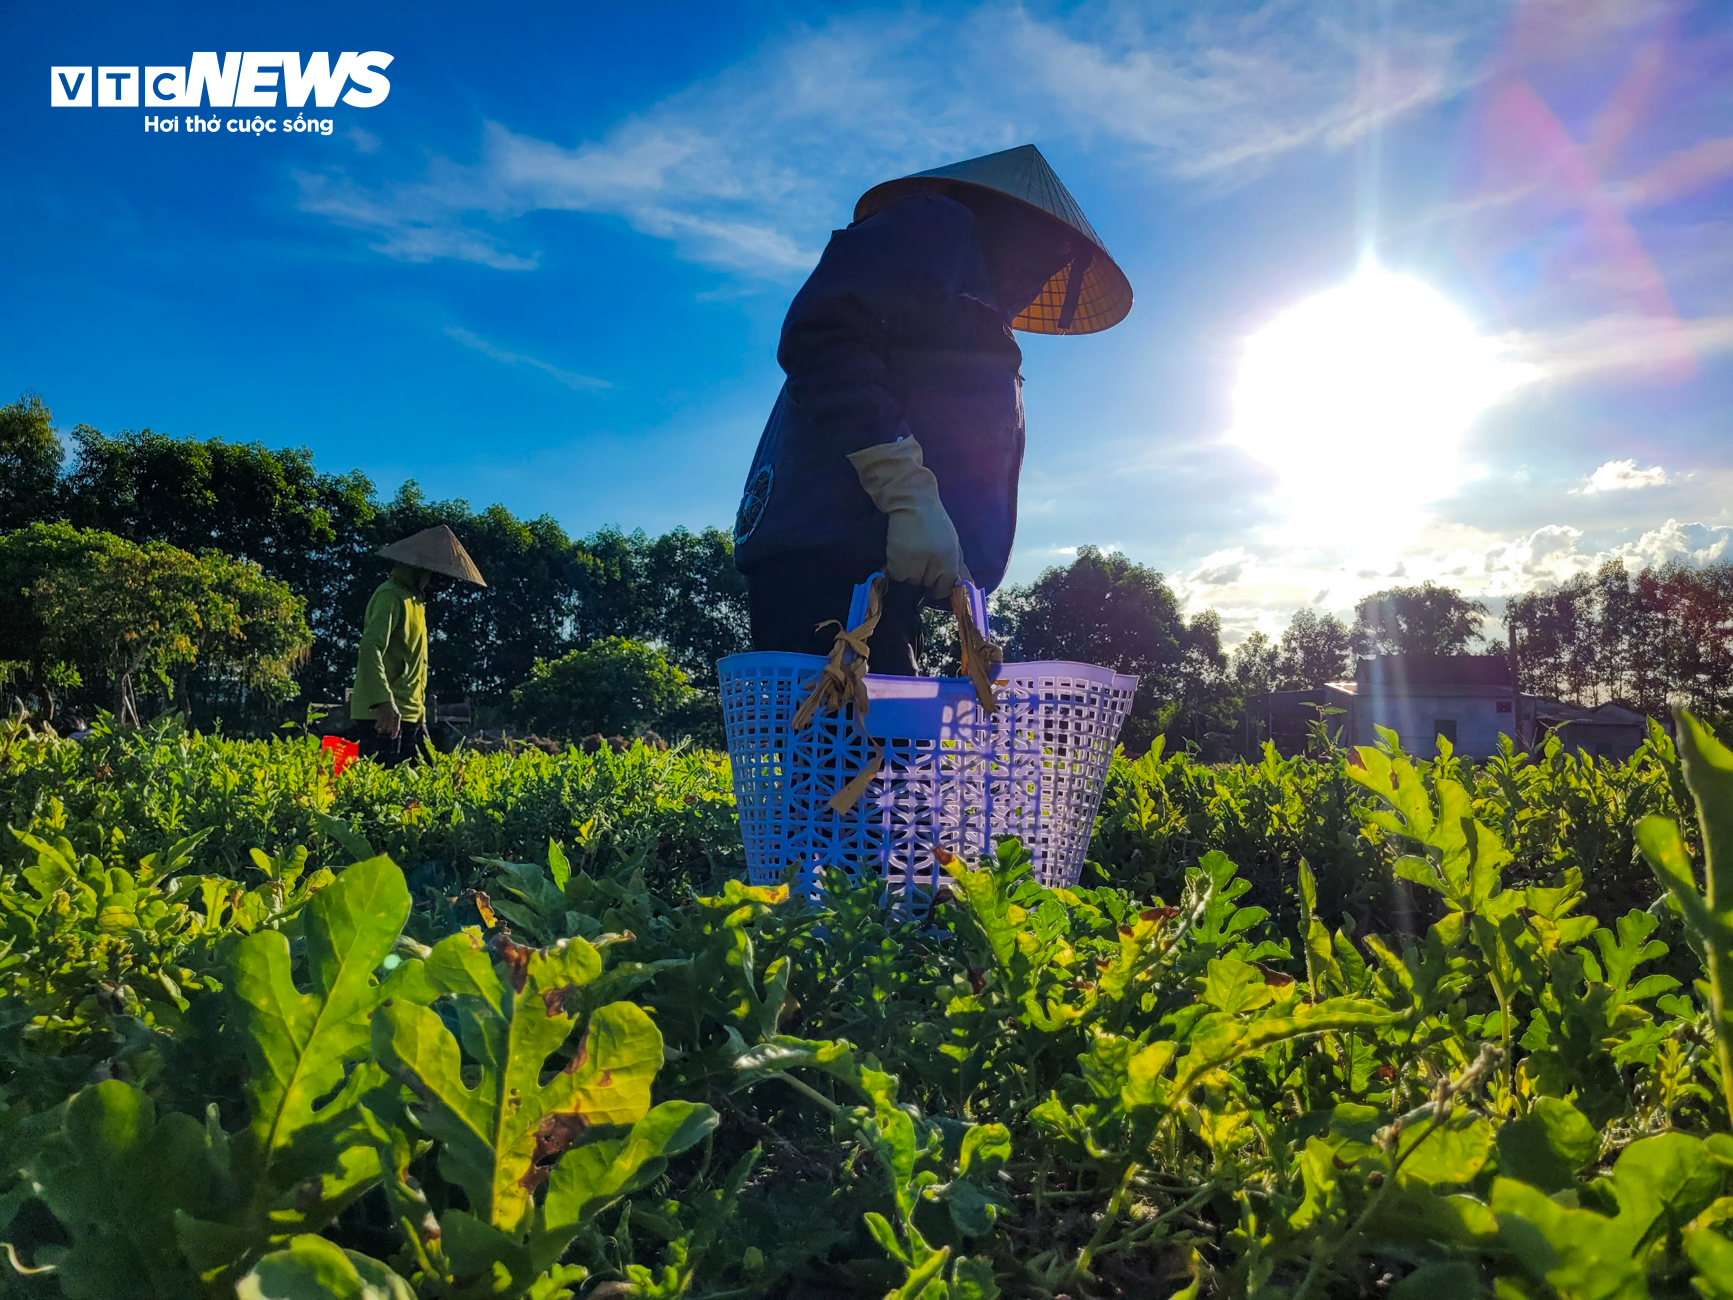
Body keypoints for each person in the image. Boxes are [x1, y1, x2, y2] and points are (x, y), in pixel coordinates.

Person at [732, 144, 1132, 674]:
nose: (1048, 268)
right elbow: (824, 335)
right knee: (849, 748)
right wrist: (905, 494)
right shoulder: (934, 226)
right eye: (1051, 249)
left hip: (884, 570)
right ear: (1012, 222)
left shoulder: (969, 301)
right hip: (830, 559)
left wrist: (958, 550)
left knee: (893, 749)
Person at [350, 525, 486, 767]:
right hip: (382, 716)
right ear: (420, 570)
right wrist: (382, 701)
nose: (441, 585)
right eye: (437, 577)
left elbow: (415, 668)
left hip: (411, 714)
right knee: (384, 794)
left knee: (423, 789)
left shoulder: (417, 604)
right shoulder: (391, 596)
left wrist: (420, 713)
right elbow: (370, 648)